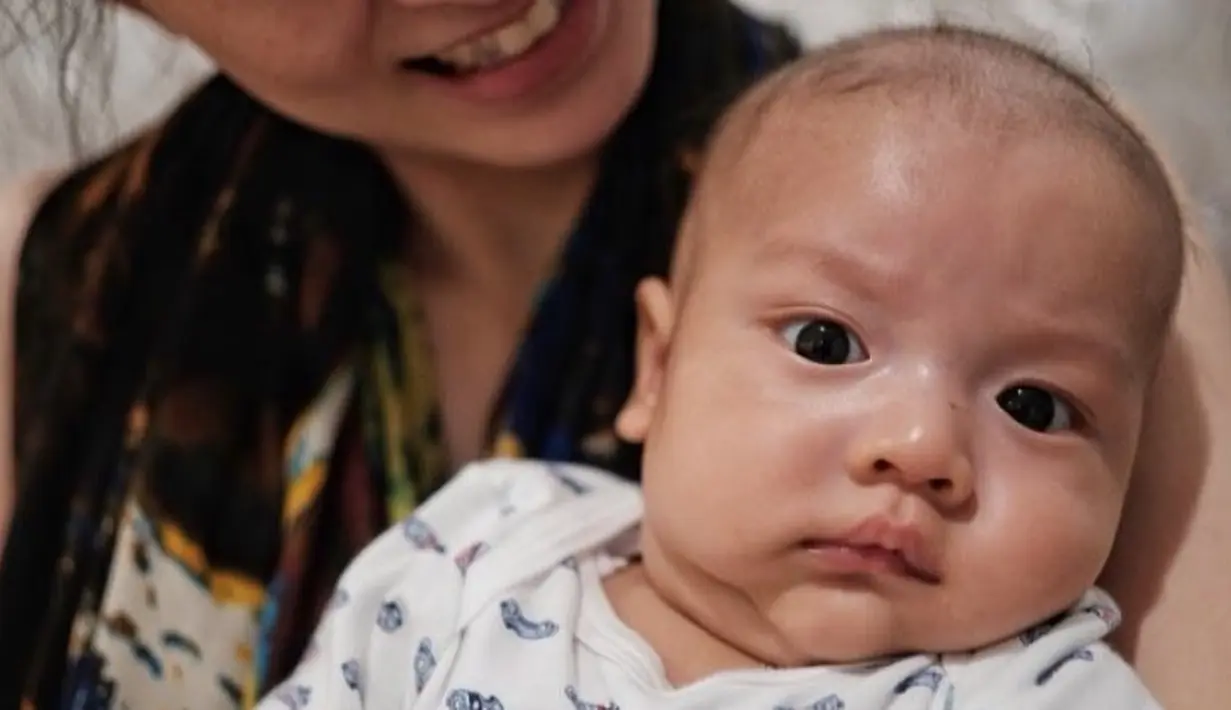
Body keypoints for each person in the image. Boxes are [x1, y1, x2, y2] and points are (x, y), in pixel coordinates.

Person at [0, 2, 1227, 709]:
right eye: (822, 342)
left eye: (1029, 402)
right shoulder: (481, 550)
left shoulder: (1061, 231)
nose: (919, 443)